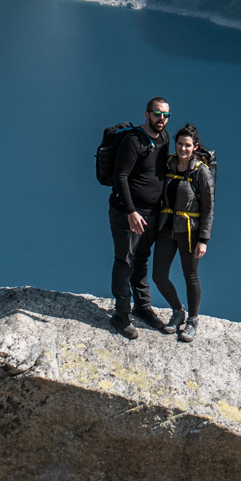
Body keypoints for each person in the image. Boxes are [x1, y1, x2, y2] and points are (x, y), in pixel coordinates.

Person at [107, 96, 173, 337]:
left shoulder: (164, 138)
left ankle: (143, 308)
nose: (162, 119)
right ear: (146, 114)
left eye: (166, 115)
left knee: (142, 259)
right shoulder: (133, 141)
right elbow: (120, 177)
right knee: (125, 261)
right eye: (157, 114)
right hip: (128, 213)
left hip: (152, 213)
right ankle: (121, 316)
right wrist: (131, 211)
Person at [153, 124, 214, 341]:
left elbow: (208, 208)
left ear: (195, 147)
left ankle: (193, 320)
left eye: (187, 145)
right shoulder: (168, 164)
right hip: (166, 228)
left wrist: (204, 239)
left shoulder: (201, 173)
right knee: (158, 276)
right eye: (180, 144)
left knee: (190, 276)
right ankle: (178, 311)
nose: (183, 149)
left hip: (190, 232)